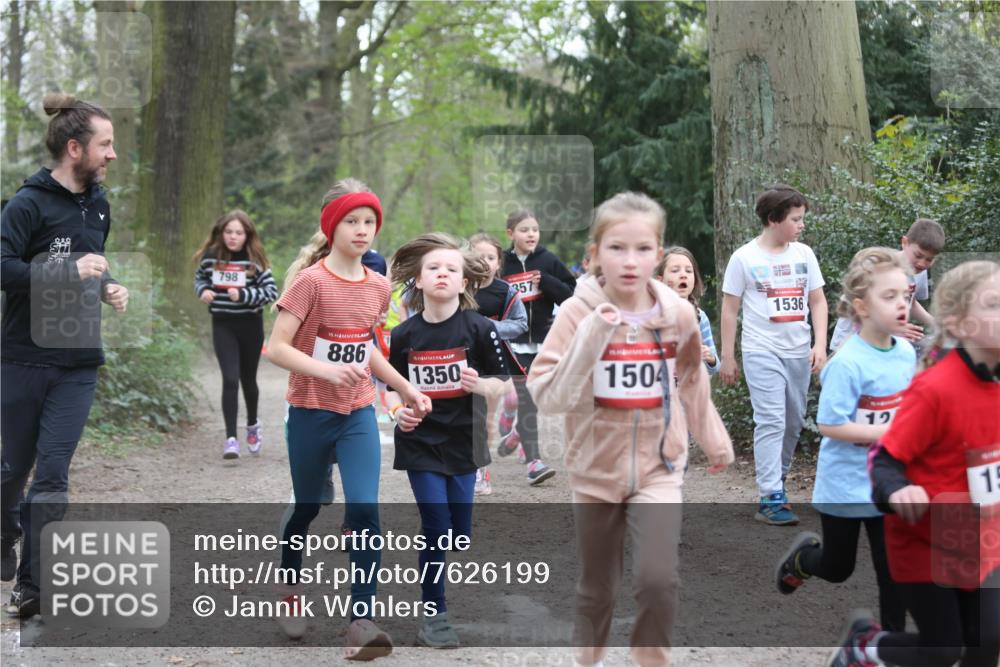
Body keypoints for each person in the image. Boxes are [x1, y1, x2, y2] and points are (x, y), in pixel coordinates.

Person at [528, 192, 733, 667]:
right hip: (595, 471)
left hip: (659, 467)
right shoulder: (577, 312)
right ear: (595, 253)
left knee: (659, 580)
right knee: (598, 587)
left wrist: (713, 439)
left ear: (657, 255)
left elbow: (692, 379)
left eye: (642, 249)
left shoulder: (678, 314)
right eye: (616, 248)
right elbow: (546, 394)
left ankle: (651, 660)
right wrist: (592, 337)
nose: (629, 260)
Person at [265, 177, 431, 659]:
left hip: (357, 411)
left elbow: (366, 347)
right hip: (309, 411)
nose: (362, 230)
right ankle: (290, 588)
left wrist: (404, 386)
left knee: (364, 508)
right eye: (352, 221)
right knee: (307, 506)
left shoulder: (378, 286)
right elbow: (277, 347)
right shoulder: (310, 282)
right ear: (331, 227)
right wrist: (326, 371)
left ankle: (361, 621)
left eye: (369, 222)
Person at [828, 260, 1000, 667]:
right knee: (942, 650)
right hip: (926, 543)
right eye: (993, 304)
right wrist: (897, 489)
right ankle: (865, 645)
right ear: (958, 324)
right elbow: (885, 459)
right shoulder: (935, 389)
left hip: (982, 540)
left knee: (987, 643)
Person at [1, 94, 128, 618]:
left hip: (77, 362)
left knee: (52, 473)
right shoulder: (26, 204)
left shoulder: (98, 206)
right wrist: (66, 272)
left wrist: (108, 285)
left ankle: (32, 585)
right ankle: (5, 528)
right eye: (106, 144)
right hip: (21, 358)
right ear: (75, 148)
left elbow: (93, 262)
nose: (113, 154)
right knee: (13, 469)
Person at [775, 248, 912, 634]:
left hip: (888, 484)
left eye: (905, 295)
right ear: (861, 307)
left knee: (893, 571)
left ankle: (890, 648)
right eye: (889, 296)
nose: (901, 304)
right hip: (846, 484)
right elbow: (830, 425)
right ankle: (803, 560)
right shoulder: (847, 362)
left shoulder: (905, 353)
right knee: (838, 568)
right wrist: (889, 433)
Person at [385, 233, 509, 646]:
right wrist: (398, 412)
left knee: (458, 534)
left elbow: (503, 384)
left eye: (451, 269)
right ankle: (434, 614)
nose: (442, 274)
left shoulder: (480, 328)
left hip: (465, 442)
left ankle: (449, 538)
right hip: (420, 441)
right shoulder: (404, 335)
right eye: (433, 268)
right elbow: (391, 388)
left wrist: (481, 385)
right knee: (436, 527)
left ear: (464, 282)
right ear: (419, 280)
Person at [720, 184, 828, 525]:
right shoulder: (744, 258)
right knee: (771, 420)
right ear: (773, 219)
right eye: (796, 219)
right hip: (761, 350)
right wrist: (728, 356)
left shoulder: (804, 254)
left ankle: (776, 481)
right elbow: (729, 309)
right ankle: (770, 496)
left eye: (802, 218)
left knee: (793, 423)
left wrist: (820, 344)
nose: (801, 225)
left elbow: (818, 301)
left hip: (799, 351)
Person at [193, 210, 277, 459]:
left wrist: (243, 295)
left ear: (247, 235)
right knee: (230, 379)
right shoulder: (211, 258)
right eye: (229, 232)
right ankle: (231, 438)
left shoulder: (254, 261)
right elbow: (200, 279)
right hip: (223, 325)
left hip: (250, 325)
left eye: (239, 233)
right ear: (221, 233)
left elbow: (271, 292)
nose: (233, 237)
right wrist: (203, 291)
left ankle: (252, 425)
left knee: (247, 380)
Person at [501, 209, 576, 484]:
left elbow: (570, 295)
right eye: (524, 230)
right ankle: (534, 462)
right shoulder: (502, 264)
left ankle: (516, 431)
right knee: (527, 401)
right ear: (511, 234)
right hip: (514, 344)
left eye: (535, 229)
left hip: (545, 343)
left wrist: (546, 281)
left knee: (540, 398)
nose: (531, 234)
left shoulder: (548, 260)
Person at [829, 218, 945, 351]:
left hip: (882, 341)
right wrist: (893, 328)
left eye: (929, 259)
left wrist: (934, 322)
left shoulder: (918, 271)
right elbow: (853, 305)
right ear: (905, 243)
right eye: (918, 255)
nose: (922, 263)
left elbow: (911, 302)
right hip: (851, 340)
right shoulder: (878, 266)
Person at [469, 232, 527, 494]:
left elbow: (521, 324)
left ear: (499, 263)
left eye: (490, 257)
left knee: (485, 419)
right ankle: (460, 467)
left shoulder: (506, 291)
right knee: (463, 417)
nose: (485, 262)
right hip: (459, 359)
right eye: (478, 257)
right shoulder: (459, 286)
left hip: (493, 360)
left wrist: (489, 327)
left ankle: (481, 470)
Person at [656, 246, 720, 375]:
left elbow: (715, 367)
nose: (683, 275)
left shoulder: (700, 317)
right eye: (675, 270)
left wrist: (710, 358)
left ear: (695, 280)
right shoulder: (651, 315)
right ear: (660, 280)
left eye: (689, 271)